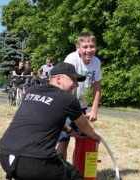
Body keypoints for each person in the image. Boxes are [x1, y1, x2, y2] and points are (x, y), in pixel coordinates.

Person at [0, 62, 101, 180]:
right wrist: (93, 135)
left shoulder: (32, 91)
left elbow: (41, 116)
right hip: (35, 161)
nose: (77, 84)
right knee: (74, 176)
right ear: (58, 78)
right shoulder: (68, 99)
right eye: (73, 79)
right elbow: (83, 126)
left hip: (6, 156)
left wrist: (68, 130)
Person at [57, 33, 102, 162]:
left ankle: (77, 171)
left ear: (96, 47)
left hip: (81, 107)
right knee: (63, 140)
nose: (89, 50)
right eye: (85, 46)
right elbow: (65, 85)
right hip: (66, 106)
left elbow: (97, 85)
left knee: (82, 140)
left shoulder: (96, 62)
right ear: (78, 48)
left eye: (92, 46)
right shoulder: (71, 59)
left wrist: (93, 110)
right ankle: (61, 172)